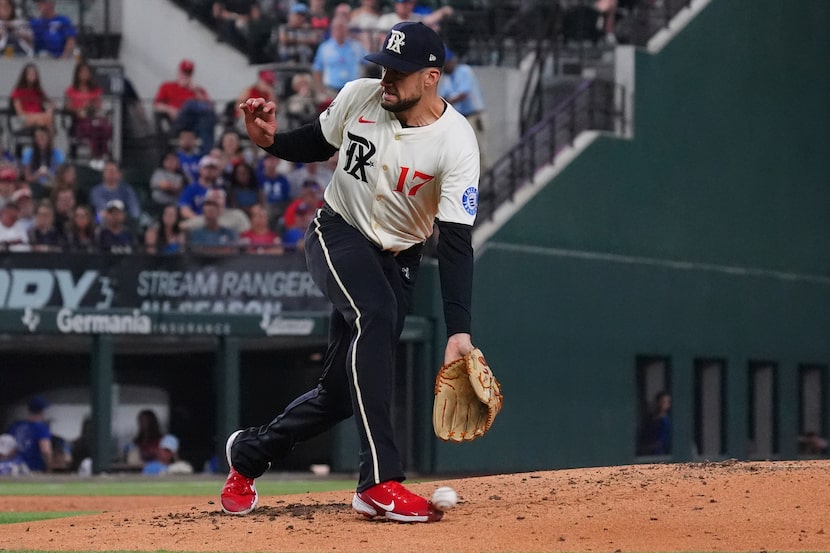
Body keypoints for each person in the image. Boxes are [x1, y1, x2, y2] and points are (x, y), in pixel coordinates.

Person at [221, 21, 479, 523]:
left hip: (399, 256)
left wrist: (459, 330)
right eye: (384, 65)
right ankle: (378, 481)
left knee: (342, 392)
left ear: (431, 77)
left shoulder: (457, 142)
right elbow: (317, 142)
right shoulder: (360, 96)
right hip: (337, 230)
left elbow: (454, 243)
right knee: (375, 316)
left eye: (399, 71)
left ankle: (248, 454)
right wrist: (269, 141)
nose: (386, 78)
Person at [153, 59, 219, 151]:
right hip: (177, 120)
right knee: (190, 104)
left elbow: (210, 106)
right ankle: (217, 117)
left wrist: (195, 91)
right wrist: (169, 109)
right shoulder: (167, 86)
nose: (185, 76)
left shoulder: (198, 90)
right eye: (183, 73)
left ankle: (206, 155)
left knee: (207, 119)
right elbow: (156, 105)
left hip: (194, 123)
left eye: (188, 74)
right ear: (178, 72)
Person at [439, 49, 488, 169]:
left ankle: (485, 180)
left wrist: (445, 103)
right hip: (461, 118)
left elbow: (462, 94)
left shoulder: (464, 71)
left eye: (446, 64)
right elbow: (442, 96)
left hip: (474, 115)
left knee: (479, 149)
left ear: (451, 62)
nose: (444, 68)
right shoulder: (447, 77)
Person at [64, 60, 113, 163]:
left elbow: (99, 107)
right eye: (82, 72)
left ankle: (101, 157)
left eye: (87, 72)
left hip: (93, 117)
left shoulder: (96, 90)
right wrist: (80, 108)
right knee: (94, 128)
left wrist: (91, 107)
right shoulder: (71, 90)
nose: (84, 74)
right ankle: (97, 157)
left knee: (103, 126)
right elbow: (68, 108)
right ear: (77, 74)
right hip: (80, 121)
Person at [311, 16, 369, 101]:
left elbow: (368, 63)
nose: (339, 30)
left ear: (347, 29)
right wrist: (320, 92)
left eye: (342, 27)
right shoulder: (324, 48)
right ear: (332, 29)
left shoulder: (357, 46)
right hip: (330, 91)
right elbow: (317, 70)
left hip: (353, 91)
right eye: (336, 27)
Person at [6, 396, 53, 472]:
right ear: (42, 411)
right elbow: (46, 451)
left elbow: (6, 446)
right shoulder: (41, 427)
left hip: (14, 466)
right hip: (34, 468)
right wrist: (49, 468)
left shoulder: (15, 425)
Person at [10, 62, 55, 133]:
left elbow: (52, 104)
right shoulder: (17, 91)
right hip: (23, 120)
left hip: (38, 120)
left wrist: (49, 109)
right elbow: (20, 113)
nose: (32, 76)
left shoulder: (39, 91)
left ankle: (48, 142)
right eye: (30, 74)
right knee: (46, 120)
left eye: (34, 74)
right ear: (24, 75)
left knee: (48, 117)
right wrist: (37, 116)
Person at [177, 154, 223, 219]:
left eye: (213, 168)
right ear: (200, 169)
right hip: (198, 221)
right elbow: (184, 209)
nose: (209, 171)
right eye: (206, 167)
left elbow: (224, 209)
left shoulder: (220, 189)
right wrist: (199, 221)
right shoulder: (191, 188)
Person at [21, 125, 65, 190]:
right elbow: (27, 178)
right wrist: (37, 174)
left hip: (52, 186)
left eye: (42, 136)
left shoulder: (58, 153)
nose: (39, 139)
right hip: (34, 186)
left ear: (48, 137)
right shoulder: (28, 153)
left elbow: (60, 178)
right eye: (36, 137)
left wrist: (48, 174)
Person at [636, 391, 672, 456]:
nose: (663, 405)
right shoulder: (649, 418)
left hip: (658, 455)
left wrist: (645, 448)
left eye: (666, 402)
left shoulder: (666, 422)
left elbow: (661, 442)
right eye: (662, 401)